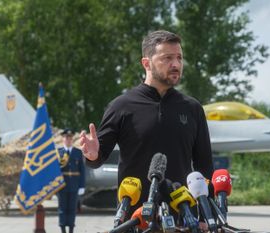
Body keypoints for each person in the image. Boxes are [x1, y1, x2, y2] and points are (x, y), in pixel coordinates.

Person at [79, 30, 214, 215]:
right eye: (167, 58)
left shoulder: (192, 108)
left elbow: (204, 167)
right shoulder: (121, 106)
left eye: (179, 58)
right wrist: (93, 155)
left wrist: (207, 216)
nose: (176, 64)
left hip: (184, 216)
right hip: (134, 218)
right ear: (146, 63)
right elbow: (98, 158)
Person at [57, 128, 85, 233]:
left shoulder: (77, 152)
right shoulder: (59, 153)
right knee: (62, 208)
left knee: (72, 208)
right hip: (62, 185)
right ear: (63, 139)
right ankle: (63, 229)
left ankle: (71, 229)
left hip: (74, 184)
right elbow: (55, 171)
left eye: (70, 138)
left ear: (72, 140)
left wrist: (82, 186)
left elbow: (82, 170)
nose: (68, 140)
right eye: (66, 138)